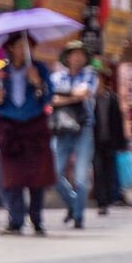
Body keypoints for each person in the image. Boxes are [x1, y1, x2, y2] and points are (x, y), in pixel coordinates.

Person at [0, 36, 54, 236]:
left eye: (27, 46)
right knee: (12, 178)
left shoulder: (39, 69)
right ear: (10, 48)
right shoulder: (1, 72)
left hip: (34, 127)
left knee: (37, 178)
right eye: (19, 46)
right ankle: (15, 220)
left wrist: (37, 83)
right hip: (10, 129)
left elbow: (48, 96)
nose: (23, 50)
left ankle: (37, 219)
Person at [48, 41, 98, 230]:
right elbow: (51, 99)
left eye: (81, 55)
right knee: (54, 173)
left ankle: (78, 215)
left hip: (83, 128)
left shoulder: (90, 75)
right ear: (67, 58)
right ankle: (72, 203)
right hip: (61, 129)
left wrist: (63, 98)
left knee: (81, 176)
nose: (78, 58)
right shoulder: (56, 76)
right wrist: (71, 97)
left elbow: (83, 93)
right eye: (74, 54)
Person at [89, 59, 127, 214]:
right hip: (95, 141)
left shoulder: (112, 98)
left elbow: (118, 121)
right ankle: (101, 202)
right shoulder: (91, 99)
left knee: (109, 171)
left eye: (99, 79)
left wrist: (121, 143)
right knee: (98, 170)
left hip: (109, 141)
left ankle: (109, 198)